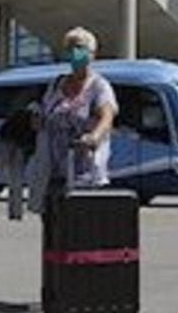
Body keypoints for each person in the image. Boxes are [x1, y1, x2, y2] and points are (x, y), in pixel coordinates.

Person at [26, 27, 118, 214]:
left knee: (79, 228)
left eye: (81, 48)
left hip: (84, 174)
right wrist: (37, 117)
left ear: (93, 54)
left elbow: (107, 116)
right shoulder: (56, 84)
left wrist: (94, 137)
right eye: (71, 48)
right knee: (53, 227)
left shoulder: (99, 86)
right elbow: (45, 113)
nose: (76, 53)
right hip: (52, 171)